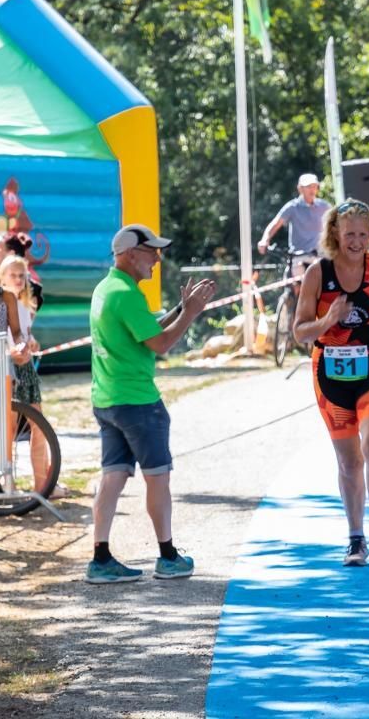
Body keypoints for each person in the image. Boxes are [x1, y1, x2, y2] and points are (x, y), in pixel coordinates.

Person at [86, 224, 216, 585]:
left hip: (107, 399)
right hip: (138, 401)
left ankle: (100, 559)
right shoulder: (126, 294)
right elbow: (159, 344)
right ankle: (169, 556)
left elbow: (144, 332)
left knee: (112, 477)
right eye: (151, 252)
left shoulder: (106, 289)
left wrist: (179, 308)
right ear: (130, 255)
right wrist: (189, 313)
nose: (157, 259)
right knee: (158, 477)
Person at [293, 199, 369, 567]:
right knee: (349, 460)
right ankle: (355, 539)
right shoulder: (317, 273)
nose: (357, 242)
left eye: (363, 234)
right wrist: (328, 320)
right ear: (334, 234)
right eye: (349, 235)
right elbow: (299, 332)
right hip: (330, 374)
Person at [0, 254, 51, 492]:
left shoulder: (24, 305)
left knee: (38, 426)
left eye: (22, 276)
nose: (19, 280)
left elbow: (23, 335)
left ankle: (43, 484)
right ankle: (5, 483)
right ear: (2, 277)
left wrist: (32, 342)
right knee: (7, 430)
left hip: (26, 369)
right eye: (13, 275)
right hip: (7, 368)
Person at [257, 173, 332, 282]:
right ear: (300, 189)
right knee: (295, 287)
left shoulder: (324, 206)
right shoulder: (292, 207)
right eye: (308, 187)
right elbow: (275, 224)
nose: (312, 190)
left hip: (320, 256)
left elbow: (338, 223)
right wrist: (265, 240)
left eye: (314, 186)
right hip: (299, 257)